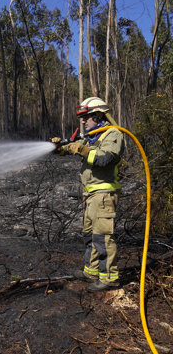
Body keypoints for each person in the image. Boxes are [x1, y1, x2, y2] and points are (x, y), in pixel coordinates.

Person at [52, 97, 126, 292]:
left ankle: (109, 279)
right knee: (90, 236)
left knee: (103, 238)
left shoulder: (112, 134)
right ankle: (92, 272)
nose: (83, 122)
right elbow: (72, 147)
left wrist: (83, 150)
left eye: (86, 117)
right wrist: (58, 148)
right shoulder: (92, 136)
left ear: (99, 115)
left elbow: (105, 159)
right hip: (91, 195)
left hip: (104, 193)